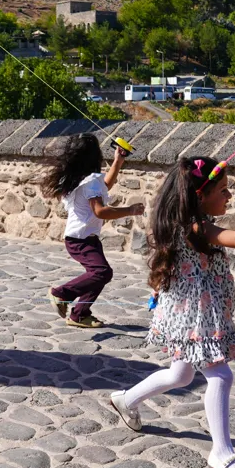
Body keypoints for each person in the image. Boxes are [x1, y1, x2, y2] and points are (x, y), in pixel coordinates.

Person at [108, 156, 235, 468]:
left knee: (180, 375)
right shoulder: (196, 228)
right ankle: (222, 452)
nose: (229, 197)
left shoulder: (186, 221)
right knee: (220, 375)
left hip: (193, 310)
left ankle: (126, 400)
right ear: (201, 195)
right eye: (223, 190)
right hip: (193, 316)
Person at [43, 134, 143, 328]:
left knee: (98, 273)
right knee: (101, 272)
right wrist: (130, 210)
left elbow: (105, 185)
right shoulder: (90, 181)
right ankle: (61, 294)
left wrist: (118, 161)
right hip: (80, 239)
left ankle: (80, 314)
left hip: (82, 238)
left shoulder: (77, 178)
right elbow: (100, 211)